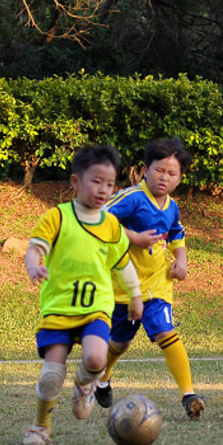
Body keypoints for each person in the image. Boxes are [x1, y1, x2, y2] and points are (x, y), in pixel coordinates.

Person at [21, 145, 143, 445]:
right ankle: (40, 428)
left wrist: (136, 295)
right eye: (96, 181)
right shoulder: (57, 217)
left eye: (110, 184)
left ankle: (85, 384)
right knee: (51, 374)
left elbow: (122, 263)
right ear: (75, 182)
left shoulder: (112, 224)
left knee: (95, 358)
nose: (103, 190)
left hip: (96, 309)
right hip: (58, 308)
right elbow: (35, 248)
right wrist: (33, 266)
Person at [94, 138, 204, 420]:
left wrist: (181, 260)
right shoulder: (131, 198)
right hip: (124, 285)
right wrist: (135, 238)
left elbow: (177, 231)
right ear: (145, 169)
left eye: (172, 173)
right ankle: (103, 378)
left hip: (157, 283)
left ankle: (188, 394)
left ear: (180, 179)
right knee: (120, 342)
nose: (164, 177)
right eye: (159, 170)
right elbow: (101, 218)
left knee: (167, 332)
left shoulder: (172, 206)